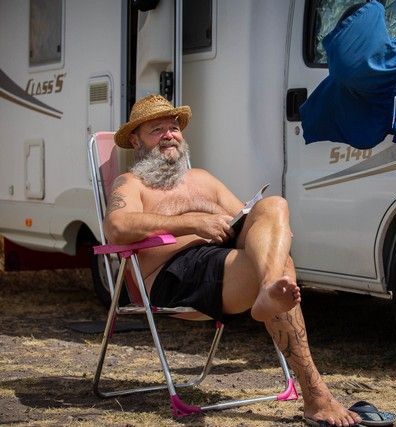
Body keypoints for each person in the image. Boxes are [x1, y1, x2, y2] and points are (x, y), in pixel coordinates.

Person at [104, 94, 361, 427]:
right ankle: (315, 395)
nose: (170, 135)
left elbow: (248, 219)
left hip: (221, 262)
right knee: (282, 267)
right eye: (157, 129)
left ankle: (270, 289)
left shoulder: (203, 179)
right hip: (175, 275)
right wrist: (193, 223)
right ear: (136, 140)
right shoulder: (131, 183)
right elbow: (116, 226)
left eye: (174, 127)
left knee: (274, 206)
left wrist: (272, 228)